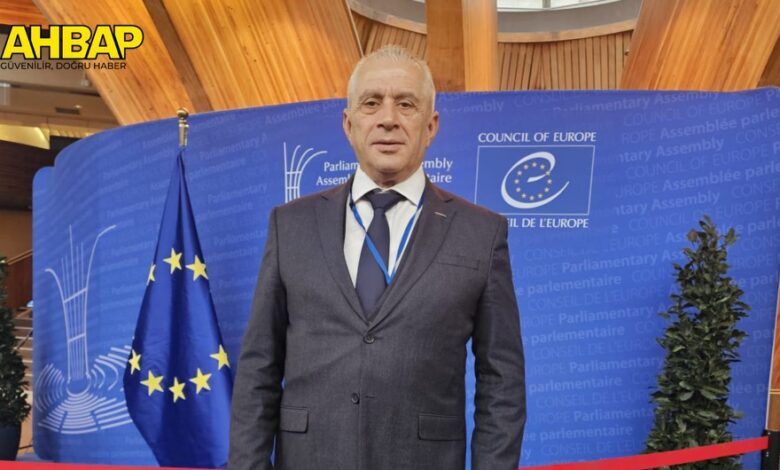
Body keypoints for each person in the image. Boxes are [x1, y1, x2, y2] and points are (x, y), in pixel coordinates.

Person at [229, 45, 525, 470]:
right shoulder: (289, 225)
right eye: (371, 103)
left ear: (431, 126)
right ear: (349, 124)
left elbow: (502, 381)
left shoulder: (481, 232)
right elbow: (259, 367)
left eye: (406, 104)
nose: (388, 118)